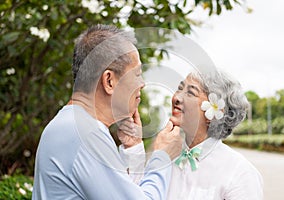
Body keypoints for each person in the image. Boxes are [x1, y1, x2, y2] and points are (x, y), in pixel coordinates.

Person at [32, 24, 182, 199]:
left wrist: (133, 151)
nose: (142, 83)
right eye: (137, 74)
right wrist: (162, 157)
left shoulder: (71, 124)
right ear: (109, 81)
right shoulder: (85, 134)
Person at [166, 70, 264, 199]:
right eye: (179, 89)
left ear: (215, 112)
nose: (176, 98)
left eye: (190, 93)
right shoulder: (165, 159)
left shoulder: (240, 172)